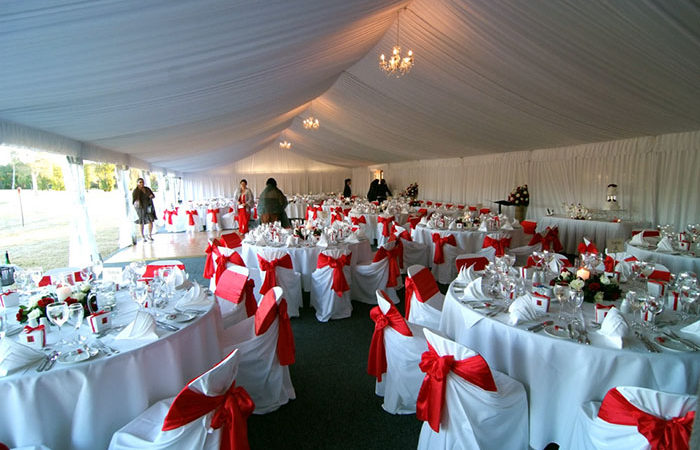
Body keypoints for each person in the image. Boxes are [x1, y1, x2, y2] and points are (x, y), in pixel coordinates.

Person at [132, 177, 156, 242]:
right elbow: (134, 201)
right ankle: (142, 236)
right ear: (137, 183)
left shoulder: (147, 189)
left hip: (148, 206)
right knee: (141, 221)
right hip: (141, 208)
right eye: (140, 182)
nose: (141, 183)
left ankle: (149, 235)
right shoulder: (136, 191)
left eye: (142, 182)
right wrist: (137, 202)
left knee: (150, 220)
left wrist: (151, 196)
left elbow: (153, 195)